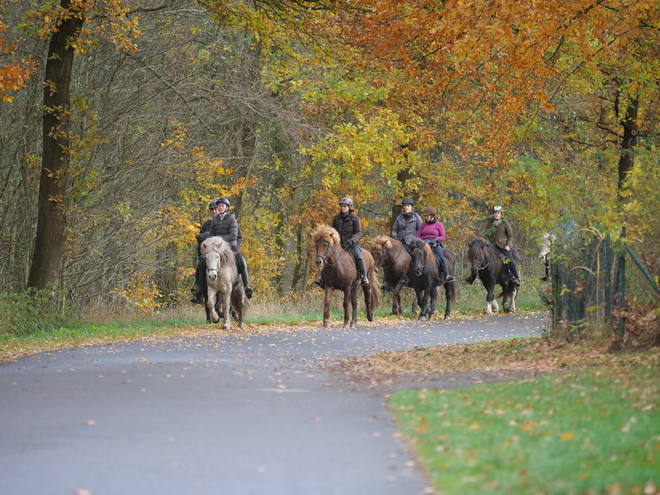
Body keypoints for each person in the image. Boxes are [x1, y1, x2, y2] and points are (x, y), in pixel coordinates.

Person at [204, 197, 254, 299]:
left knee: (241, 261)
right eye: (219, 206)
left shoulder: (232, 219)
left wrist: (218, 240)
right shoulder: (214, 221)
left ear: (226, 207)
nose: (220, 208)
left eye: (222, 206)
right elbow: (211, 235)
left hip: (231, 246)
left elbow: (233, 236)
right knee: (202, 261)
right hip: (217, 248)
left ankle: (246, 285)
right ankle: (200, 288)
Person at [314, 196, 369, 288]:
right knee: (327, 256)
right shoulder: (336, 218)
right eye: (342, 206)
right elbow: (333, 231)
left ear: (349, 207)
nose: (343, 208)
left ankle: (363, 277)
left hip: (352, 244)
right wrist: (335, 241)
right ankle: (323, 279)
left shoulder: (355, 218)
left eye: (345, 206)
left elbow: (358, 233)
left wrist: (351, 241)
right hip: (339, 244)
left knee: (359, 257)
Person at [466, 205, 520, 286]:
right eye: (495, 213)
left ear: (501, 214)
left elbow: (510, 235)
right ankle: (472, 277)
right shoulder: (490, 223)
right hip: (491, 246)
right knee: (478, 257)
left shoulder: (505, 223)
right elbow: (486, 235)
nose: (496, 215)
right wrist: (488, 244)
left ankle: (515, 278)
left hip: (503, 246)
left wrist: (508, 245)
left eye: (498, 213)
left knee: (509, 260)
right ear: (493, 214)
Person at [416, 207, 455, 283]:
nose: (426, 217)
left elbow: (443, 236)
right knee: (416, 255)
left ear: (432, 215)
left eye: (427, 215)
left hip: (435, 244)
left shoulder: (438, 224)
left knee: (441, 258)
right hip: (425, 245)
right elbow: (418, 236)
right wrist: (420, 241)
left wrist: (436, 239)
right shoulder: (423, 225)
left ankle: (447, 275)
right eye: (425, 216)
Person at [190, 200, 219, 304]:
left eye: (216, 209)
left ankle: (244, 284)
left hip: (221, 250)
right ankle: (200, 292)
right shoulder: (207, 223)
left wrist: (207, 236)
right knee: (200, 264)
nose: (214, 211)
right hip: (209, 252)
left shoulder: (225, 221)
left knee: (239, 260)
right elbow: (201, 239)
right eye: (212, 210)